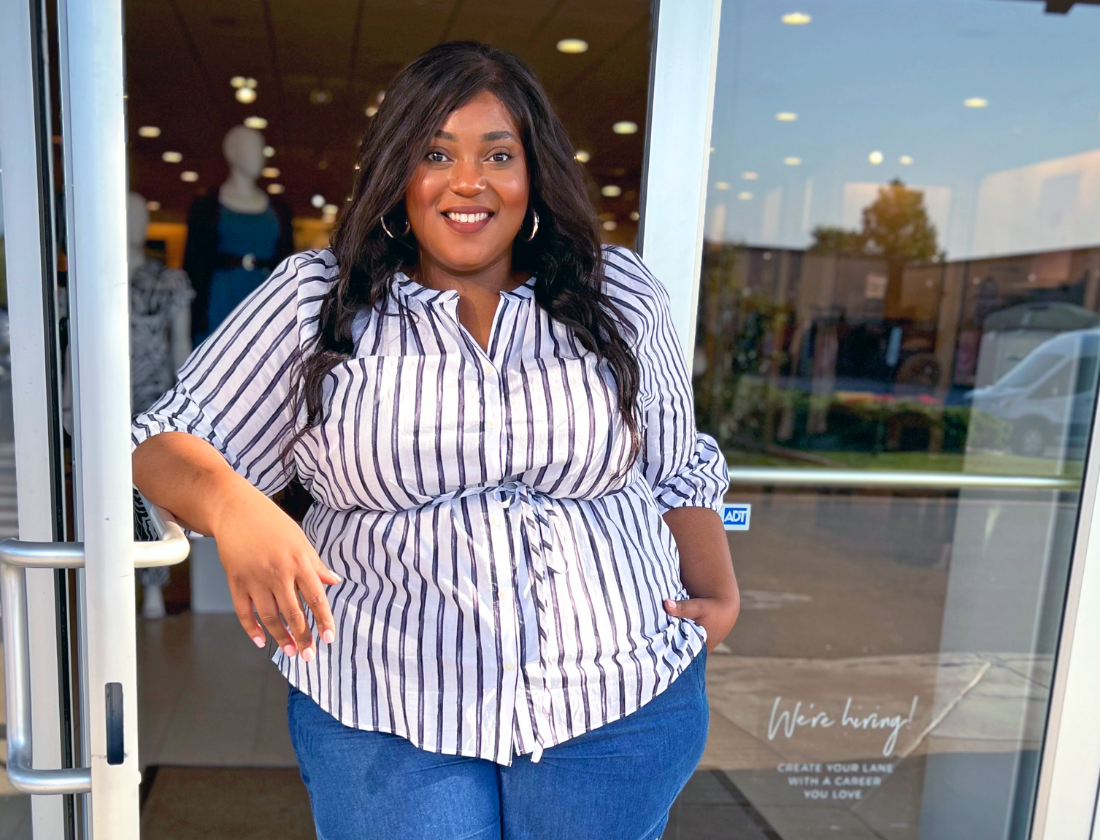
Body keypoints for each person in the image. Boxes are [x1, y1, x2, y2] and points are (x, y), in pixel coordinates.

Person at [131, 41, 739, 840]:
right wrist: (235, 507)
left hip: (617, 697)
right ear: (398, 174)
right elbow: (161, 447)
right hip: (387, 705)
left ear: (535, 175)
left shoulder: (616, 292)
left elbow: (674, 465)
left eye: (499, 154)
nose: (468, 182)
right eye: (435, 152)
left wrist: (719, 593)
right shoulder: (318, 299)